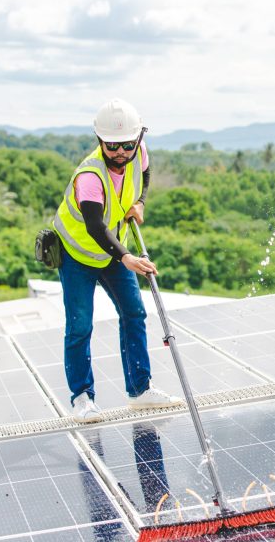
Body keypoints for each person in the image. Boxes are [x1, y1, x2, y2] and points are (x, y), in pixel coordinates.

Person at [53, 98, 181, 422]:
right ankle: (82, 397)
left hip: (114, 251)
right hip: (79, 256)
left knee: (134, 313)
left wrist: (139, 201)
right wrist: (126, 257)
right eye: (112, 146)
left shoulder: (139, 153)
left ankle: (140, 390)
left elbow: (145, 176)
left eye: (127, 145)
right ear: (100, 141)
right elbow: (96, 226)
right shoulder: (90, 177)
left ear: (138, 139)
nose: (121, 153)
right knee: (80, 325)